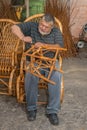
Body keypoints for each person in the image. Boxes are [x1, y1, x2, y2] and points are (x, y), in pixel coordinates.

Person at [11, 14, 64, 125]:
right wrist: (22, 37)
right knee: (30, 74)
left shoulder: (56, 32)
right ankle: (31, 109)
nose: (42, 28)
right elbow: (14, 27)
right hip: (34, 62)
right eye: (41, 24)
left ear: (52, 27)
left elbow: (59, 47)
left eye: (46, 27)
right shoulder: (32, 26)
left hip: (51, 62)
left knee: (57, 76)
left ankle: (52, 111)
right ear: (39, 22)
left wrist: (44, 45)